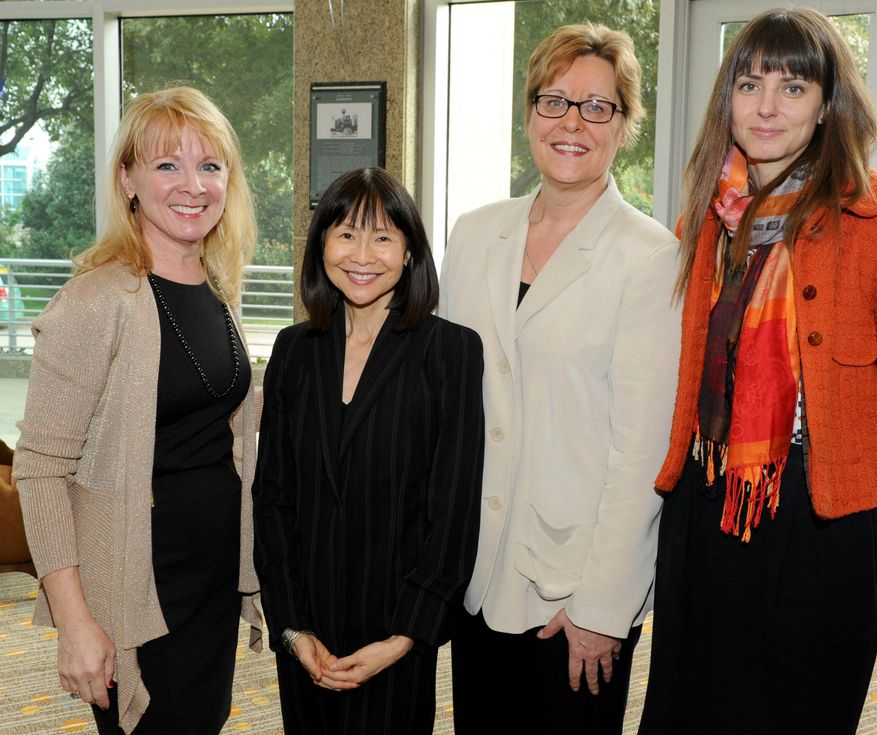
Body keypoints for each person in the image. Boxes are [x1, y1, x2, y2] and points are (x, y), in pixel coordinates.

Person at [638, 9, 877, 735]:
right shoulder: (708, 220)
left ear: (826, 105)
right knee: (692, 709)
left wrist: (854, 507)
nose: (766, 106)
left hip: (821, 522)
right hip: (704, 503)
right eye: (749, 84)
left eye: (792, 87)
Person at [440, 22, 681, 734]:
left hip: (574, 592)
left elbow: (642, 453)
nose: (572, 122)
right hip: (478, 573)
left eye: (597, 106)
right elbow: (451, 403)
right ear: (529, 114)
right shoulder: (475, 233)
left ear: (624, 125)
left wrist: (603, 608)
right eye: (554, 101)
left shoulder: (650, 256)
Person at [13, 86, 262, 735]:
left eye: (210, 165)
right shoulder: (95, 301)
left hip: (209, 586)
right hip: (138, 594)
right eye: (166, 164)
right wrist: (74, 622)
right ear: (128, 178)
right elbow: (39, 472)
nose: (193, 184)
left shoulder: (216, 286)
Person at [252, 167, 484, 735]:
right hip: (308, 635)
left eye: (383, 236)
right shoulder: (293, 350)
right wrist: (292, 628)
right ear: (322, 246)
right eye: (346, 234)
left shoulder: (449, 352)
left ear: (409, 253)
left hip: (396, 634)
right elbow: (273, 498)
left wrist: (406, 635)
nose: (363, 254)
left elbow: (454, 512)